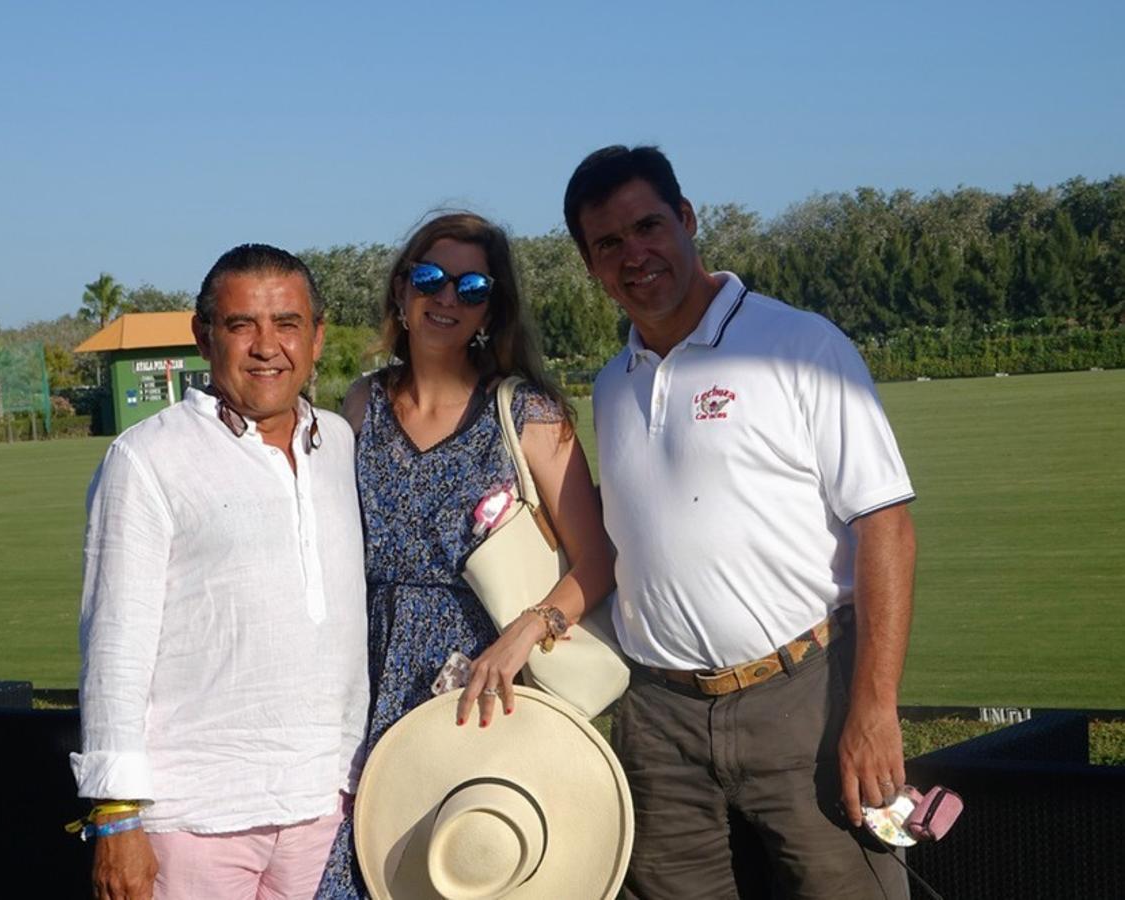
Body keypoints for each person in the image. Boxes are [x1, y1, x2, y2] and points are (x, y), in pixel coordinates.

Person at [563, 145, 917, 899]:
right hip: (658, 722)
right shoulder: (611, 385)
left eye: (649, 226)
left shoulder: (800, 344)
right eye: (609, 244)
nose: (636, 254)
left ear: (688, 220)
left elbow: (885, 525)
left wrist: (873, 708)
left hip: (801, 705)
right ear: (591, 265)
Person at [314, 212, 615, 898]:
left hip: (482, 685)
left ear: (492, 308)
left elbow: (595, 559)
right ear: (400, 291)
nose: (447, 298)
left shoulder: (527, 414)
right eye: (430, 278)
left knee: (465, 868)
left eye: (472, 286)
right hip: (363, 685)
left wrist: (525, 633)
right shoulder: (361, 406)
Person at [70, 244, 369, 900]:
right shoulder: (147, 458)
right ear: (203, 337)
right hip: (193, 817)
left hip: (326, 802)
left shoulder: (341, 444)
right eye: (242, 325)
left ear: (316, 337)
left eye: (287, 324)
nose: (267, 347)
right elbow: (114, 649)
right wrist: (116, 816)